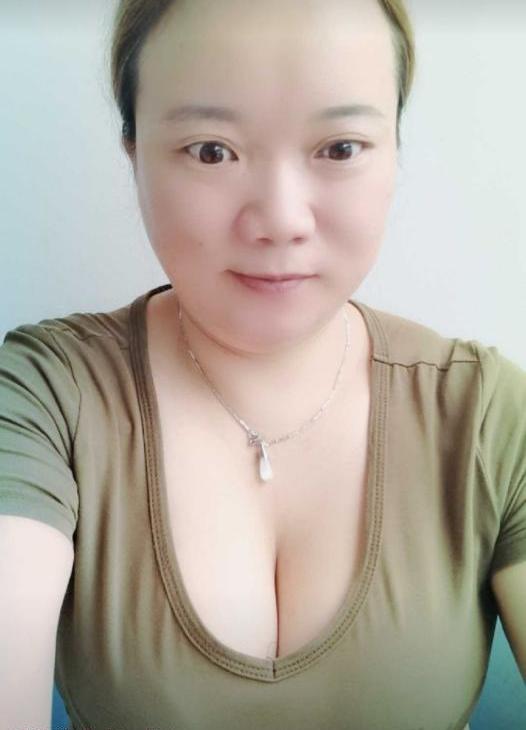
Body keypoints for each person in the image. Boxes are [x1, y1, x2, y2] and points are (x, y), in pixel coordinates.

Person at [1, 1, 525, 728]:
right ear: (133, 148)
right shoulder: (44, 397)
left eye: (340, 148)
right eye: (211, 151)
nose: (280, 220)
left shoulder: (488, 415)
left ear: (395, 148)